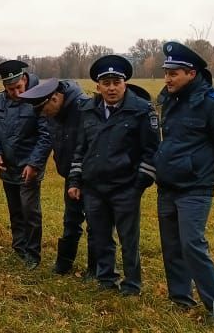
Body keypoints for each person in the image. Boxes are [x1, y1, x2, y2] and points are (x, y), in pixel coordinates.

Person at [154, 41, 214, 326]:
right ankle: (180, 298)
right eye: (166, 73)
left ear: (191, 74)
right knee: (171, 244)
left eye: (174, 74)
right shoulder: (169, 100)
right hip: (168, 185)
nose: (167, 79)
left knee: (192, 244)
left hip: (195, 188)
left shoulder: (213, 105)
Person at [60, 55, 160, 295]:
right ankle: (106, 280)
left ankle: (132, 284)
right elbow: (80, 149)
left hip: (126, 187)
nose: (112, 88)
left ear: (124, 83)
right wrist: (75, 181)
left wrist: (138, 185)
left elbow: (152, 151)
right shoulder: (88, 110)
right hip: (94, 188)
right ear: (98, 86)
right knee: (101, 238)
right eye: (106, 83)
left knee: (129, 241)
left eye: (116, 82)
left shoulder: (141, 110)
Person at [17, 77, 92, 278]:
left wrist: (81, 174)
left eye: (44, 110)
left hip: (92, 177)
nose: (43, 115)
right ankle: (64, 264)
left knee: (96, 224)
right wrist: (35, 164)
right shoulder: (54, 114)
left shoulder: (84, 109)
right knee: (71, 220)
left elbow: (90, 145)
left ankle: (97, 270)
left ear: (55, 98)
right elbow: (49, 139)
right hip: (70, 174)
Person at [0, 60, 52, 269]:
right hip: (8, 167)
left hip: (29, 168)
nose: (15, 92)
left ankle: (33, 254)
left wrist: (34, 163)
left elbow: (45, 135)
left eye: (18, 88)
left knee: (30, 211)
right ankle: (19, 248)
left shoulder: (38, 100)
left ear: (24, 79)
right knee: (15, 210)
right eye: (10, 89)